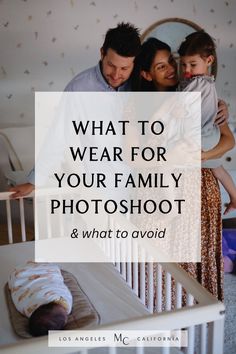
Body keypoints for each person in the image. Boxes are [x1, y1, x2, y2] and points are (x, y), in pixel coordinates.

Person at [132, 36, 235, 302]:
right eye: (160, 66)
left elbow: (228, 141)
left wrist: (200, 155)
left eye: (171, 63)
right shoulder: (136, 107)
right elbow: (135, 159)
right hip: (162, 192)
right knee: (157, 269)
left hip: (201, 189)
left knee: (198, 267)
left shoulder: (196, 92)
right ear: (145, 74)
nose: (172, 70)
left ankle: (199, 319)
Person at [9, 22, 141, 198]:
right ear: (102, 53)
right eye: (111, 65)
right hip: (104, 189)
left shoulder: (141, 84)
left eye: (124, 68)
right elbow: (58, 136)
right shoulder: (79, 88)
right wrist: (34, 181)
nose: (116, 75)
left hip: (144, 185)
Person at [178, 31, 236, 215]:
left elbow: (180, 105)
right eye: (183, 64)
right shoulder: (208, 83)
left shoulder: (196, 83)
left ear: (209, 60)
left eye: (193, 64)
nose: (187, 70)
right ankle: (234, 197)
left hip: (202, 136)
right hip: (211, 135)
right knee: (217, 167)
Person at [8, 261, 72, 336]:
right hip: (19, 272)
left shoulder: (56, 298)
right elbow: (60, 287)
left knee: (52, 272)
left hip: (31, 273)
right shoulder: (25, 310)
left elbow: (62, 290)